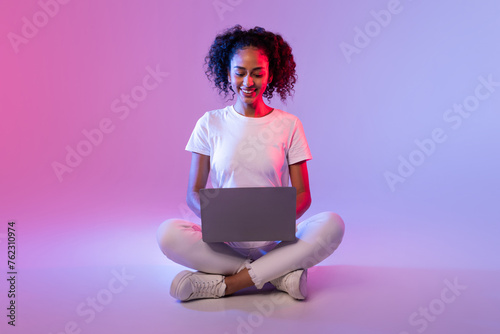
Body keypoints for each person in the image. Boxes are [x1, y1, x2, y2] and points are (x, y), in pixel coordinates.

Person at [156, 25, 345, 302]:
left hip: (277, 242)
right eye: (240, 72)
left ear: (271, 75)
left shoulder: (289, 125)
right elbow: (194, 192)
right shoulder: (209, 123)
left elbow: (303, 194)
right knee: (168, 234)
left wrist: (276, 219)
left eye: (258, 73)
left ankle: (227, 285)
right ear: (228, 72)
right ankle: (279, 275)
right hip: (224, 244)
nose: (248, 81)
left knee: (333, 224)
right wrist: (215, 217)